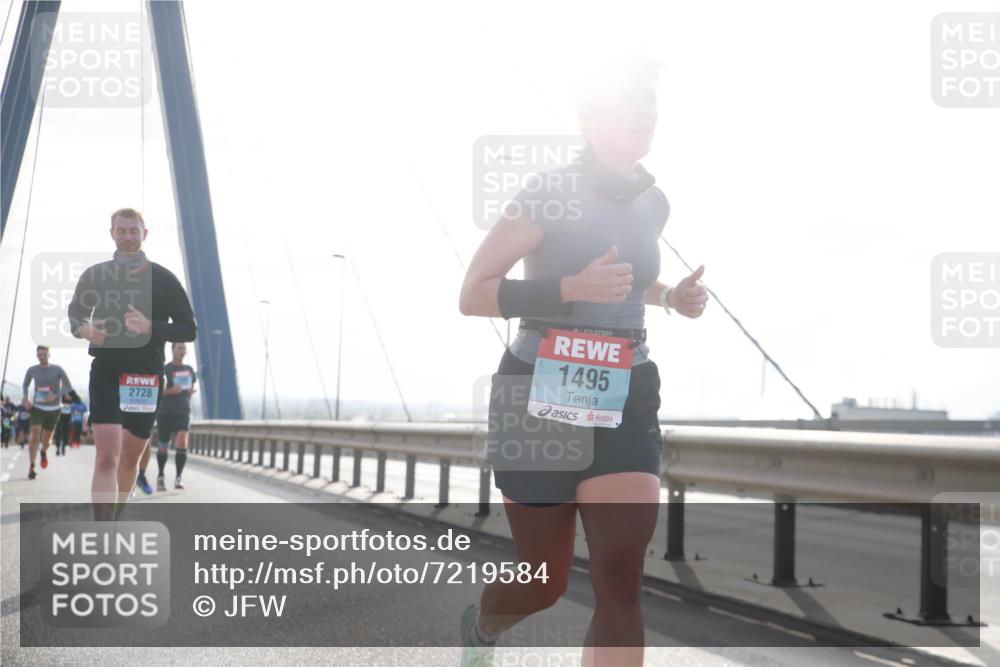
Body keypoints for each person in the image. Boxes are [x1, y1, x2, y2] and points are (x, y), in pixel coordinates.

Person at [458, 58, 709, 666]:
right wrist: (568, 288)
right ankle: (481, 629)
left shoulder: (654, 205)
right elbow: (473, 294)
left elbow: (624, 282)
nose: (646, 121)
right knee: (543, 580)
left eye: (651, 113)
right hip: (540, 392)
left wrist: (670, 297)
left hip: (625, 389)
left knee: (620, 578)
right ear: (590, 123)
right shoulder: (548, 193)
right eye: (631, 111)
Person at [67, 207, 197, 520]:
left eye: (133, 231)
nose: (127, 237)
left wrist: (151, 326)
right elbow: (75, 316)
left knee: (129, 460)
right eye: (121, 231)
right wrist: (85, 329)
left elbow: (188, 329)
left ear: (145, 234)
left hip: (145, 379)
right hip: (107, 373)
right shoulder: (95, 275)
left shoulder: (163, 279)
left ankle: (117, 514)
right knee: (106, 456)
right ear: (112, 233)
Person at [22, 345, 75, 479]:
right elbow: (25, 384)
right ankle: (32, 466)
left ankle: (44, 451)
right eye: (39, 355)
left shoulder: (57, 370)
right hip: (37, 408)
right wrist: (26, 398)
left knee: (47, 440)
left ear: (49, 355)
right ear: (37, 355)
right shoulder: (32, 370)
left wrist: (55, 395)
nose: (41, 357)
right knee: (35, 435)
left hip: (54, 409)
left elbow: (68, 387)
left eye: (44, 354)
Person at [154, 342, 197, 491]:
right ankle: (160, 476)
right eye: (179, 347)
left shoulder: (189, 370)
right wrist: (171, 390)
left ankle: (178, 477)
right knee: (163, 447)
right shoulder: (165, 369)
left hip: (183, 412)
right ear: (172, 350)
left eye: (184, 348)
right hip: (165, 413)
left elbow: (190, 388)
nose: (182, 350)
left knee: (182, 441)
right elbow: (158, 392)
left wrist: (190, 392)